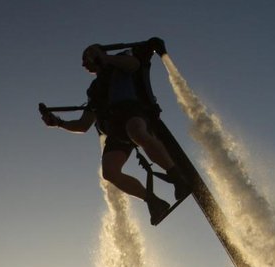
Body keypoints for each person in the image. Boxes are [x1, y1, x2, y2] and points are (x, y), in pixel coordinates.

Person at [41, 44, 189, 224]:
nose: (83, 65)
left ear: (97, 55)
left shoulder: (119, 62)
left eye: (86, 58)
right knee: (109, 172)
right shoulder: (94, 90)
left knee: (136, 132)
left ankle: (177, 178)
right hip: (115, 129)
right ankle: (153, 201)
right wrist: (59, 123)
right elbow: (83, 125)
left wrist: (107, 58)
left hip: (132, 112)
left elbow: (134, 65)